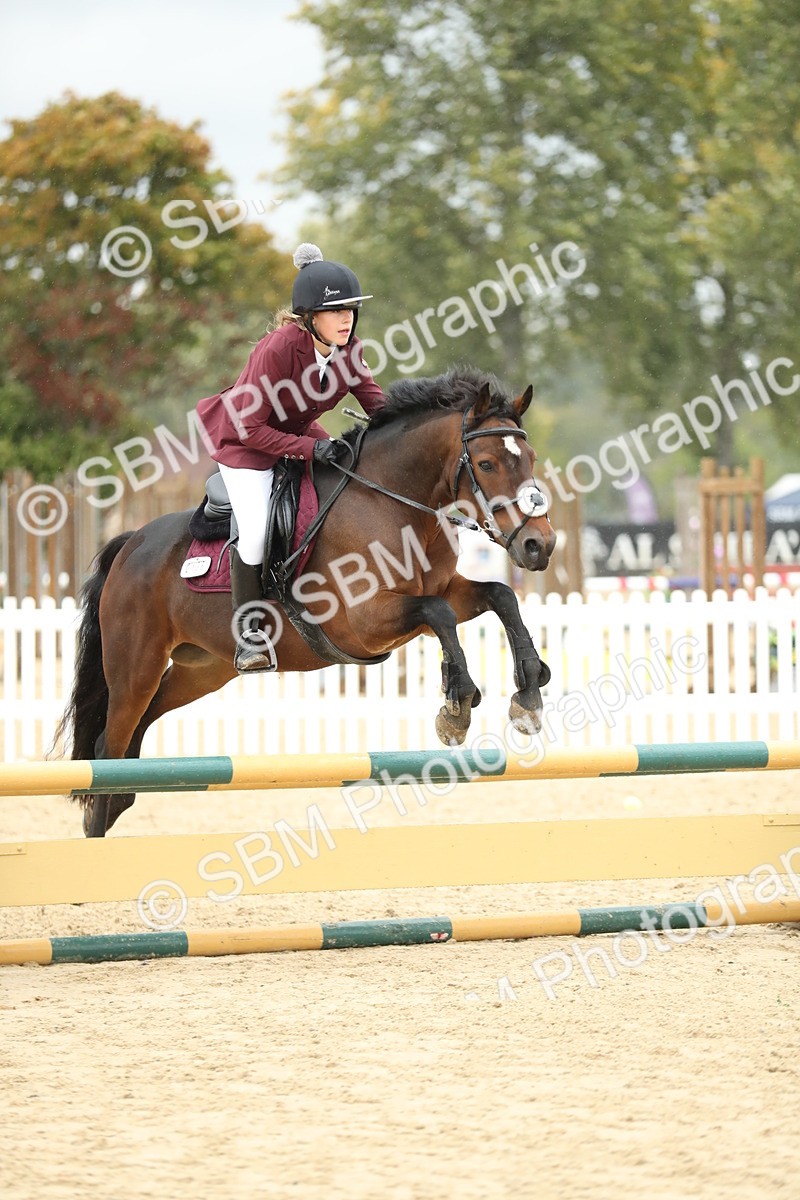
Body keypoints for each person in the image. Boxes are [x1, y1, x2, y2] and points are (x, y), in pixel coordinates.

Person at [197, 243, 386, 672]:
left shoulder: (350, 352)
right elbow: (250, 427)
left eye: (351, 310)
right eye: (337, 311)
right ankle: (249, 635)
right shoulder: (279, 348)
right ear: (310, 317)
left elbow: (381, 409)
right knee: (258, 530)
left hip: (294, 436)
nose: (347, 319)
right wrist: (312, 448)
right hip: (244, 446)